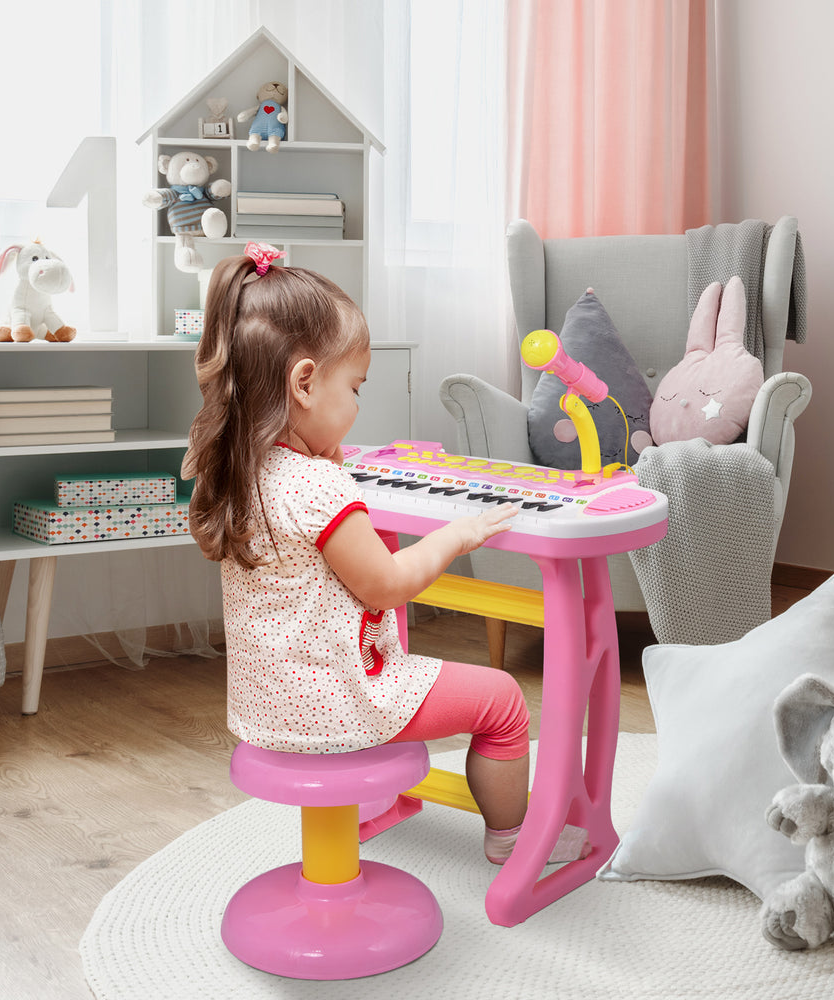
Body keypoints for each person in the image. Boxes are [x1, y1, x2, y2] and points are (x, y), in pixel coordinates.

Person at [183, 243, 587, 865]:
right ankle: (516, 840)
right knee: (502, 701)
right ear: (305, 383)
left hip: (267, 705)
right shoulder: (316, 486)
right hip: (339, 706)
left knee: (402, 660)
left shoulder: (242, 470)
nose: (357, 405)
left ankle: (380, 807)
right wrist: (457, 536)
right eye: (355, 387)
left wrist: (326, 460)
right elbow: (386, 586)